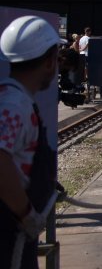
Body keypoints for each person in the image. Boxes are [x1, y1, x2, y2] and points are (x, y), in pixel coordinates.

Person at [0, 16, 62, 269]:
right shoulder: (15, 106)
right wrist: (26, 214)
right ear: (49, 61)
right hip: (8, 231)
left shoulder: (13, 97)